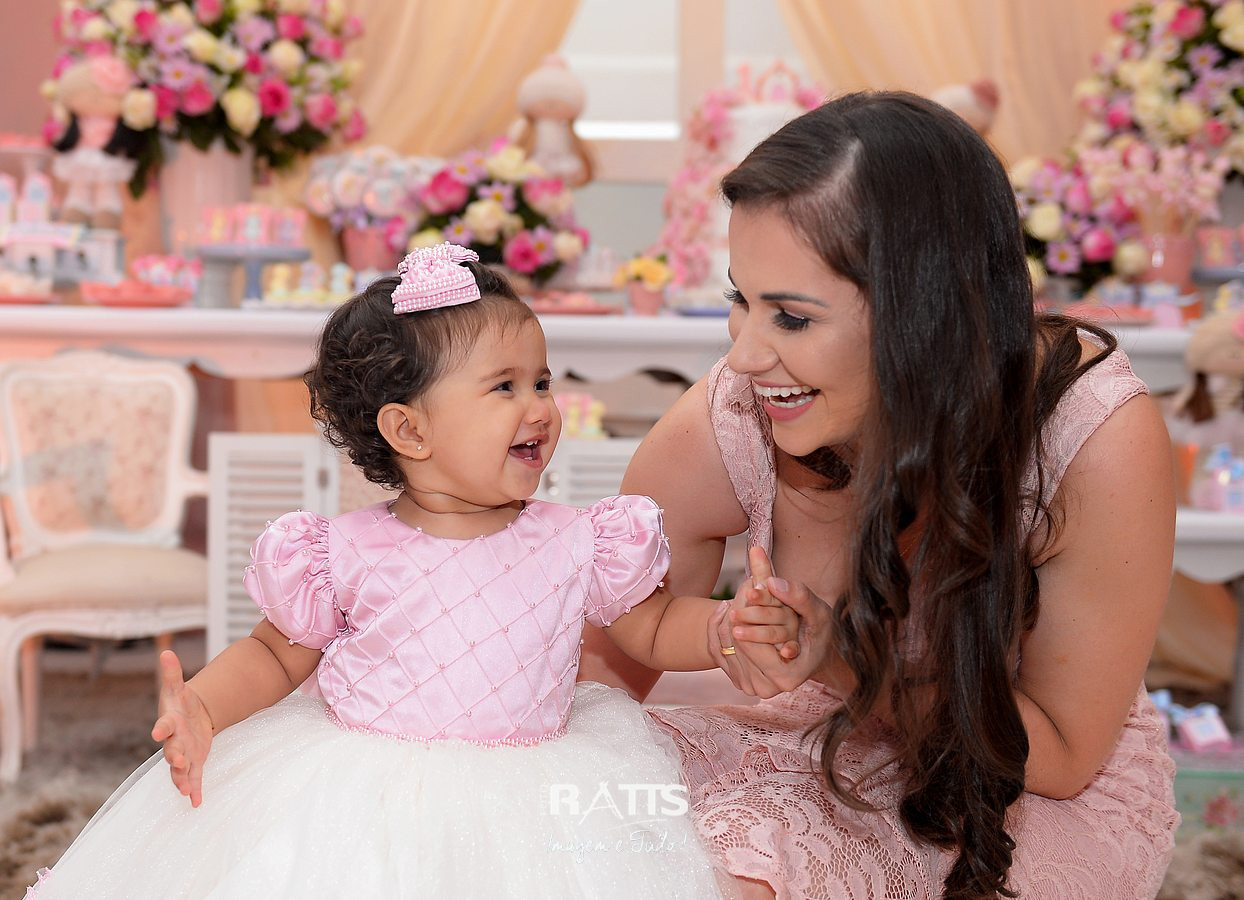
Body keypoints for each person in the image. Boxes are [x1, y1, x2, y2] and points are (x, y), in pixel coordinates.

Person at [27, 244, 800, 899]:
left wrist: (724, 628)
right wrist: (204, 706)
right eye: (504, 387)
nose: (539, 407)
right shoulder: (344, 551)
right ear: (410, 430)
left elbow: (653, 627)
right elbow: (272, 655)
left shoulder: (578, 540)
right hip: (360, 791)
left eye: (541, 381)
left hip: (532, 793)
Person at [579, 92, 1180, 899]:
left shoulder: (1091, 435)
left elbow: (1065, 755)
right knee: (598, 835)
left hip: (1024, 785)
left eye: (791, 318)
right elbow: (601, 674)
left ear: (925, 314)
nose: (746, 354)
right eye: (740, 300)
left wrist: (840, 658)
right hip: (825, 732)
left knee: (733, 878)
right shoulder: (735, 414)